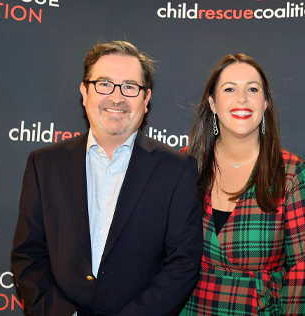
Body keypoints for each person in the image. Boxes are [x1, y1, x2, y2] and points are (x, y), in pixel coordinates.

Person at [11, 41, 203, 316]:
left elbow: (182, 264)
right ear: (84, 92)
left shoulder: (176, 170)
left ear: (146, 99)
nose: (117, 97)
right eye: (104, 84)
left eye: (129, 86)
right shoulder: (44, 165)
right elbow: (28, 256)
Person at [179, 54, 305, 316]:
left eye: (252, 89)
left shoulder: (291, 173)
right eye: (230, 89)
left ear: (265, 103)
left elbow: (304, 274)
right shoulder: (184, 166)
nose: (242, 99)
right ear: (212, 103)